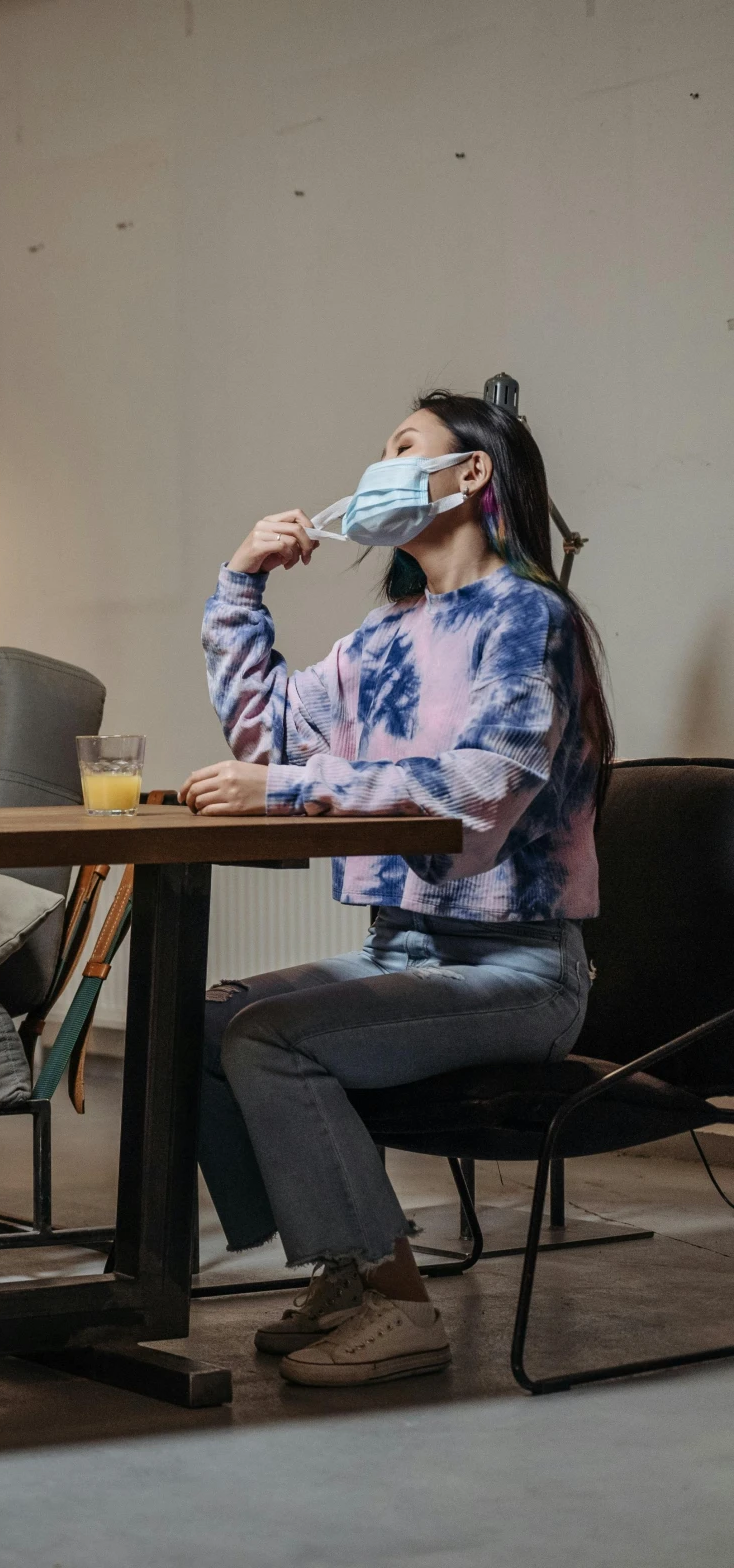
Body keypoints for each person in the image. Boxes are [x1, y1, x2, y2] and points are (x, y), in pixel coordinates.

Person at [188, 392, 611, 1387]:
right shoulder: (385, 637)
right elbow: (267, 742)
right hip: (402, 950)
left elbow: (474, 799)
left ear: (470, 475)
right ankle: (351, 1267)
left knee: (268, 1035)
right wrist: (240, 587)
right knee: (204, 1021)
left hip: (519, 966)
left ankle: (402, 1309)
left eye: (401, 447)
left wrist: (283, 788)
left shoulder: (526, 618)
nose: (375, 465)